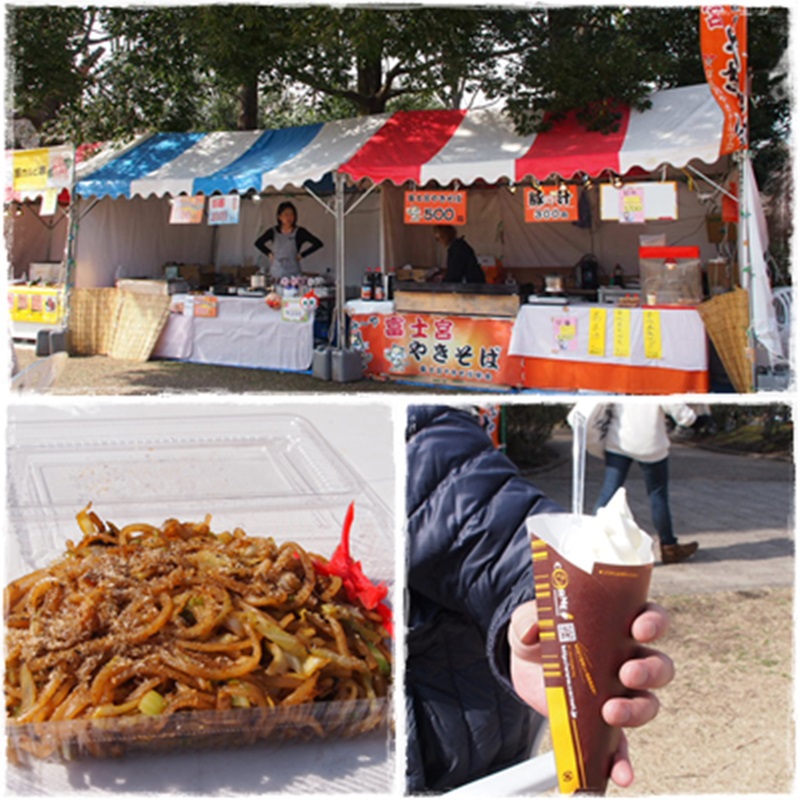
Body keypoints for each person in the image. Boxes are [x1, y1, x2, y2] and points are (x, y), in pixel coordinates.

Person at [406, 405, 675, 793]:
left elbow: (493, 530)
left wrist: (543, 604)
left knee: (623, 487)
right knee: (639, 486)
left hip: (461, 767)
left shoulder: (413, 432)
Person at [593, 403, 700, 564]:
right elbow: (684, 416)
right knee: (657, 495)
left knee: (608, 492)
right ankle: (669, 547)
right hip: (650, 444)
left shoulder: (620, 377)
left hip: (619, 440)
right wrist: (692, 416)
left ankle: (590, 542)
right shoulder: (658, 380)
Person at [254, 201, 323, 281]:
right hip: (276, 273)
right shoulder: (273, 231)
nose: (289, 218)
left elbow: (318, 243)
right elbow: (258, 243)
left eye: (291, 214)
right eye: (286, 215)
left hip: (294, 274)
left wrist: (302, 255)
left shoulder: (300, 232)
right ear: (279, 217)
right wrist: (268, 253)